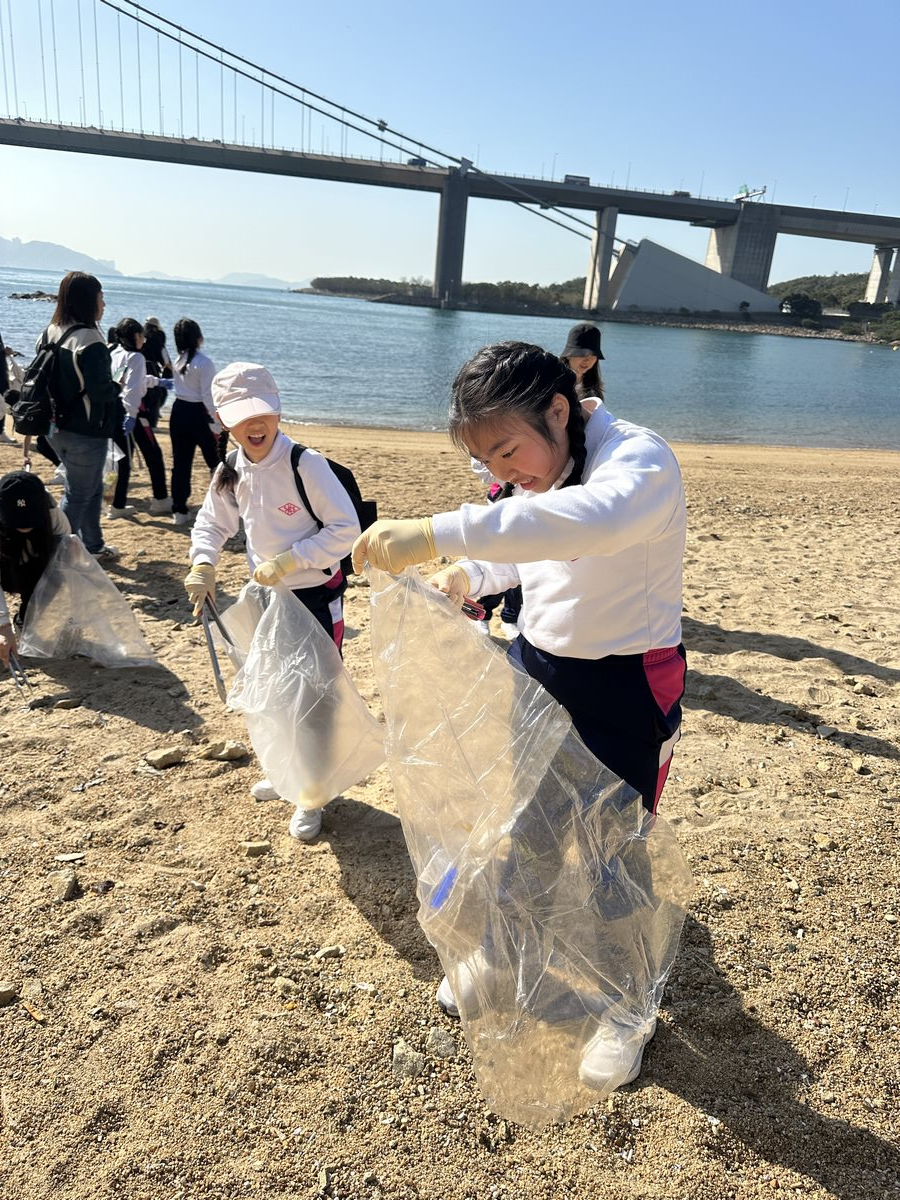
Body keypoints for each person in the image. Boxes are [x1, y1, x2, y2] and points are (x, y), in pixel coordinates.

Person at [351, 340, 686, 1087]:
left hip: (627, 684)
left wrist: (438, 531)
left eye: (508, 452)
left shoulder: (640, 462)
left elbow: (584, 524)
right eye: (487, 462)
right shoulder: (538, 470)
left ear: (558, 410)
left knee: (612, 849)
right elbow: (527, 541)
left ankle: (627, 1007)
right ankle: (503, 953)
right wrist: (467, 573)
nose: (505, 473)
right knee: (528, 825)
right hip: (541, 668)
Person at [182, 362, 361, 840]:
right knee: (277, 690)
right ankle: (288, 773)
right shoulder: (231, 468)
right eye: (241, 416)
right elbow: (212, 523)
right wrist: (204, 563)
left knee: (315, 696)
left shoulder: (306, 464)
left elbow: (346, 529)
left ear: (278, 410)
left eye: (262, 411)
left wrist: (290, 561)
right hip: (267, 597)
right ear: (224, 421)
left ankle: (313, 791)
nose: (254, 424)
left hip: (314, 596)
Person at [44, 272, 122, 562]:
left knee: (89, 487)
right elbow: (100, 392)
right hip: (86, 431)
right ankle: (54, 556)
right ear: (88, 301)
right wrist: (118, 386)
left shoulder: (51, 332)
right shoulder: (91, 340)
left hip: (53, 427)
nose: (104, 305)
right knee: (78, 494)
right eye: (101, 298)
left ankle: (93, 545)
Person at [0, 471, 71, 667]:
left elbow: (66, 557)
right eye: (16, 520)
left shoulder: (54, 514)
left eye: (31, 518)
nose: (24, 525)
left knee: (50, 581)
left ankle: (25, 620)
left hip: (35, 562)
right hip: (6, 561)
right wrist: (3, 626)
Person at [108, 318, 172, 518]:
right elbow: (132, 389)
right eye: (140, 335)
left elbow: (127, 380)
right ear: (133, 337)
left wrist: (157, 382)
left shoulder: (116, 352)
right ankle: (160, 499)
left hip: (114, 409)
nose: (143, 339)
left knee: (117, 457)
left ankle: (113, 502)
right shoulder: (136, 357)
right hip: (132, 411)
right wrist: (132, 415)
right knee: (152, 455)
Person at [169, 318, 219, 527]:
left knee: (181, 463)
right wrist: (217, 420)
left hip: (179, 411)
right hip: (198, 413)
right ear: (198, 337)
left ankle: (179, 509)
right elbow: (208, 395)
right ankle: (223, 506)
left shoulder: (178, 360)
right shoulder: (204, 362)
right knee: (216, 462)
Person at [560, 322, 605, 411]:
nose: (587, 361)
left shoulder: (594, 388)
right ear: (568, 355)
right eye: (582, 355)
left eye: (592, 356)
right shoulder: (553, 381)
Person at [141, 316, 173, 429]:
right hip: (152, 368)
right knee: (156, 395)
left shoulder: (141, 335)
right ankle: (152, 422)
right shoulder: (158, 336)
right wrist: (168, 365)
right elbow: (162, 352)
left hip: (140, 366)